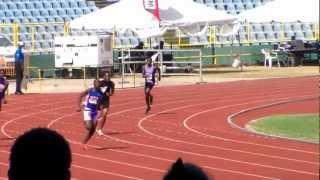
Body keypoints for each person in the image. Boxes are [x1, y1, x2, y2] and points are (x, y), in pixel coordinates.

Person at [77, 79, 103, 150]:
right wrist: (78, 106)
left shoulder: (101, 93)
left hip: (95, 112)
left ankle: (84, 142)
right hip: (87, 110)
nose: (98, 85)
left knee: (92, 130)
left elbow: (100, 104)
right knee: (88, 127)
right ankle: (85, 122)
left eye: (99, 84)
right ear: (94, 84)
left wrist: (100, 112)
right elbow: (80, 95)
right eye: (97, 84)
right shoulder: (90, 90)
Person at [96, 71, 115, 136]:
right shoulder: (101, 83)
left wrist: (109, 94)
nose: (108, 77)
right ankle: (93, 126)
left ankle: (99, 129)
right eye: (106, 76)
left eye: (109, 76)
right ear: (104, 77)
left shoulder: (111, 83)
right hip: (99, 100)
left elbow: (112, 92)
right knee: (98, 116)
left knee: (104, 114)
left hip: (106, 100)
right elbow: (96, 90)